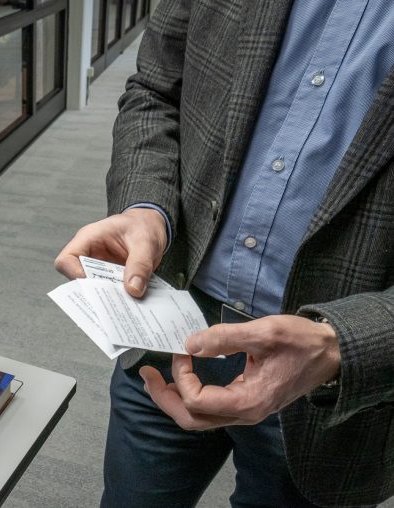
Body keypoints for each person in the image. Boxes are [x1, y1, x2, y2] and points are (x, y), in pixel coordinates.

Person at [55, 1, 394, 506]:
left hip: (330, 387)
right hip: (169, 325)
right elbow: (155, 90)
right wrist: (147, 206)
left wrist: (339, 345)